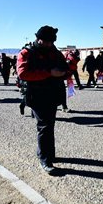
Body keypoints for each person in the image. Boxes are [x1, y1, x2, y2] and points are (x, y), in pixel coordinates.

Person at [17, 25, 68, 174]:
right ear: (39, 39)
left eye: (51, 42)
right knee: (44, 126)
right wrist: (49, 73)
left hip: (53, 94)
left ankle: (48, 154)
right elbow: (23, 73)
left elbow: (64, 68)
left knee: (49, 125)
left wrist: (64, 72)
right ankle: (45, 159)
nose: (49, 45)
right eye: (47, 42)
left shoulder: (54, 52)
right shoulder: (27, 52)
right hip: (37, 95)